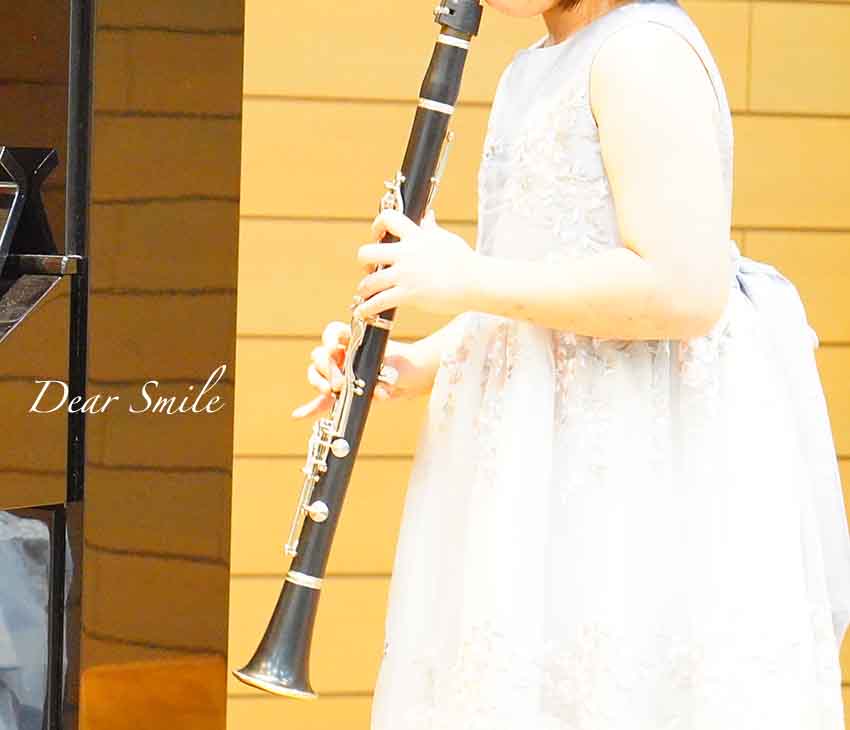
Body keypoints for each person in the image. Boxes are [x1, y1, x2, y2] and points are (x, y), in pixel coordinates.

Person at [292, 0, 850, 726]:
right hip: (536, 469)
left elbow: (685, 289)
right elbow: (545, 288)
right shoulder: (534, 65)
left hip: (627, 472)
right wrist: (419, 360)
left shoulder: (643, 52)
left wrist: (466, 277)